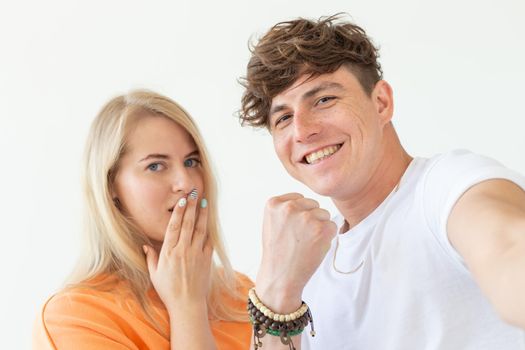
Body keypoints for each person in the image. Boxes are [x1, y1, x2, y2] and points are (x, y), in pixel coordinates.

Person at [239, 14, 525, 349]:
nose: (303, 131)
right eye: (284, 117)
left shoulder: (446, 188)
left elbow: (506, 247)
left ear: (381, 103)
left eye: (324, 100)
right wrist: (277, 293)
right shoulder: (306, 259)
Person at [33, 90, 252, 349]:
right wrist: (188, 307)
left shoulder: (240, 293)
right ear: (110, 186)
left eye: (192, 161)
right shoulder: (75, 316)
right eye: (155, 166)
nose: (186, 183)